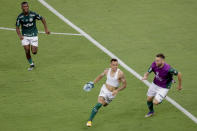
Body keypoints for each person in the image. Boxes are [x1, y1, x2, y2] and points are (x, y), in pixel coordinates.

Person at [85, 58, 127, 127]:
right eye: (113, 65)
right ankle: (90, 121)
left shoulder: (120, 73)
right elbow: (100, 76)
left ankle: (96, 110)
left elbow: (124, 85)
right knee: (99, 104)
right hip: (104, 90)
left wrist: (117, 90)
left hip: (112, 94)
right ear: (110, 65)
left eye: (116, 65)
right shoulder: (107, 71)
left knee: (104, 104)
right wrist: (93, 83)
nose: (115, 67)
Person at [142, 53, 182, 117]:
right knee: (149, 99)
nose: (156, 62)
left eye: (158, 61)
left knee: (155, 102)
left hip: (164, 87)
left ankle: (163, 95)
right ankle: (151, 112)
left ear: (163, 61)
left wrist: (179, 85)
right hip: (155, 84)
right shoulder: (154, 64)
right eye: (155, 60)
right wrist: (145, 76)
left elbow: (179, 74)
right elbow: (148, 72)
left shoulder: (168, 69)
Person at [16, 1, 50, 71]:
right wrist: (20, 35)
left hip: (33, 35)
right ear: (21, 8)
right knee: (27, 50)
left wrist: (46, 29)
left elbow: (42, 18)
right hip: (25, 36)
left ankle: (33, 52)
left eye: (26, 6)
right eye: (24, 7)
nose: (25, 8)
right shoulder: (20, 17)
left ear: (28, 7)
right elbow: (17, 27)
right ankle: (31, 64)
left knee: (34, 52)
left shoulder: (33, 14)